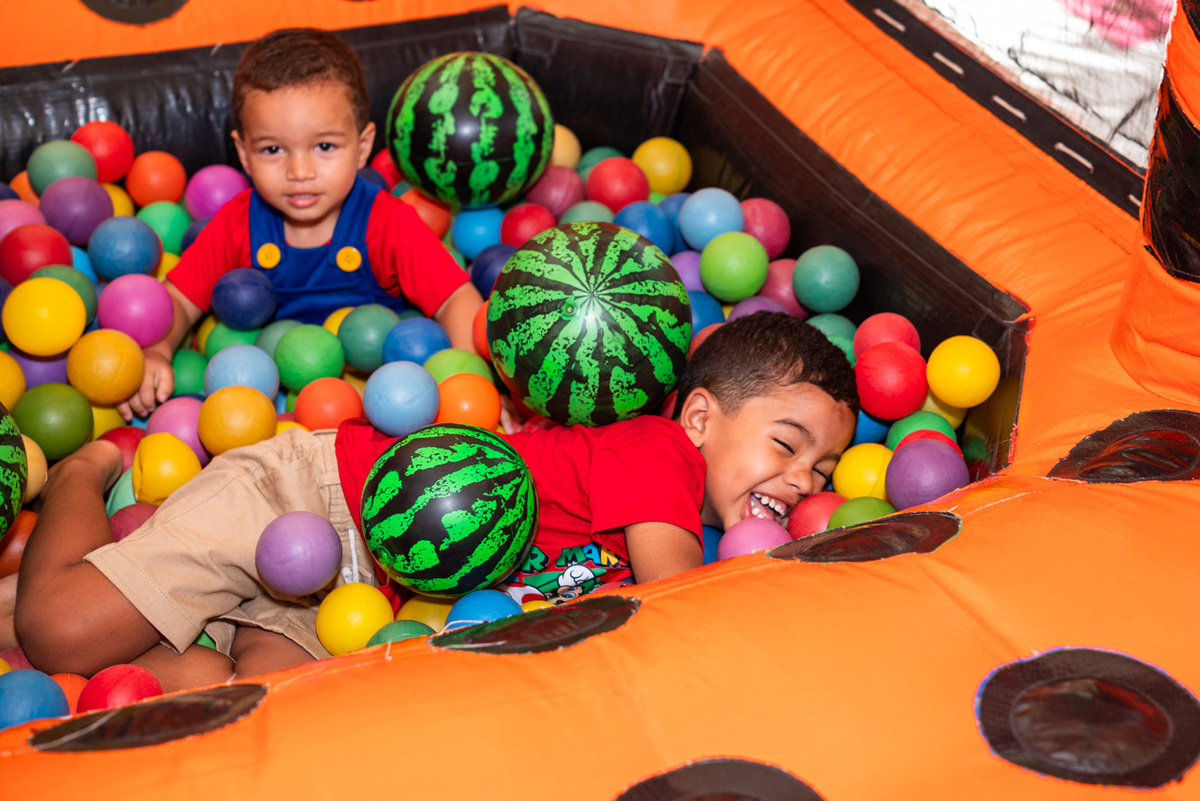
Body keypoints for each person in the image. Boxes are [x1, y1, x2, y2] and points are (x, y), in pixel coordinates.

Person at [12, 312, 858, 691]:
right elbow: (671, 613)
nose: (804, 482)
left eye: (826, 471)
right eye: (788, 444)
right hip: (324, 490)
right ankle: (84, 470)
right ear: (702, 415)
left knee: (234, 696)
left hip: (356, 590)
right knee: (63, 628)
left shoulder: (701, 521)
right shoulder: (658, 451)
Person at [119, 28, 483, 421]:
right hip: (270, 405)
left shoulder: (387, 222)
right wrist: (157, 351)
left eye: (324, 147)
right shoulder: (238, 224)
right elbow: (178, 299)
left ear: (362, 147)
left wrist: (466, 388)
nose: (299, 171)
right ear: (243, 153)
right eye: (273, 149)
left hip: (387, 401)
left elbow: (456, 299)